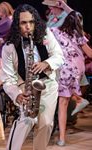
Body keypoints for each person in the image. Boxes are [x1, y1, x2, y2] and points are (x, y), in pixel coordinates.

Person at [0, 4, 64, 150]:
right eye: (23, 23)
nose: (28, 26)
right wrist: (17, 95)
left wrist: (46, 64)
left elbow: (59, 56)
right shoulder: (9, 47)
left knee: (47, 124)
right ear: (17, 24)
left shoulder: (45, 33)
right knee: (27, 120)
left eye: (31, 22)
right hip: (25, 86)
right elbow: (7, 78)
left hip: (47, 83)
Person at [51, 11, 92, 146]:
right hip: (76, 71)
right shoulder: (79, 36)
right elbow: (90, 54)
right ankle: (79, 99)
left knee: (62, 104)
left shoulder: (55, 31)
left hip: (63, 70)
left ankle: (62, 138)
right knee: (65, 102)